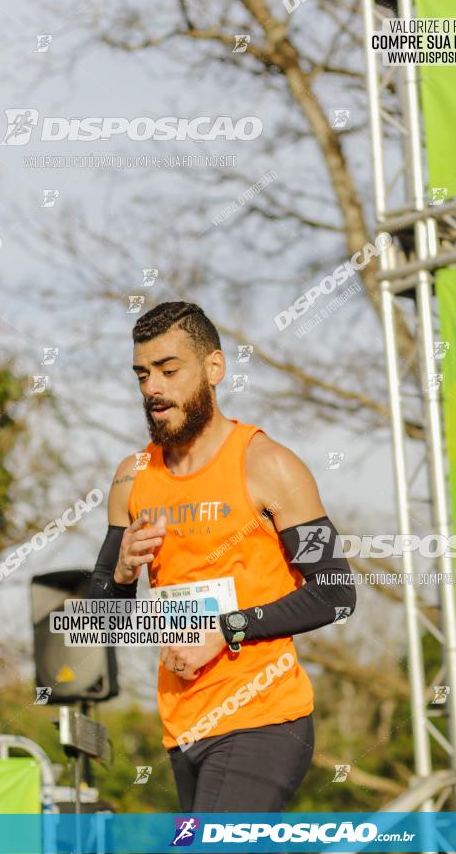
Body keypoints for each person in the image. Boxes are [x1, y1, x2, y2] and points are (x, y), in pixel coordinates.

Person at [88, 301, 356, 812]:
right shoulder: (131, 476)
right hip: (183, 725)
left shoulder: (268, 464)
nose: (152, 389)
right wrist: (122, 572)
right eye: (142, 375)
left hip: (264, 719)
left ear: (214, 368)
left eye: (169, 371)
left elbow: (337, 594)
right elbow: (105, 622)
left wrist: (225, 629)